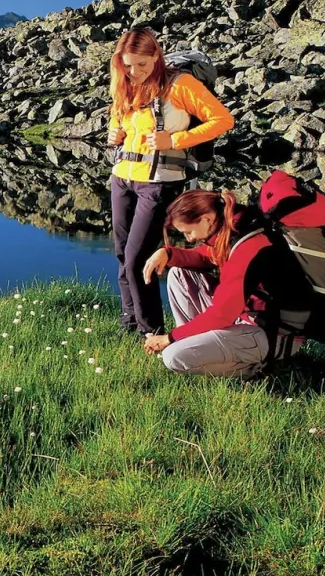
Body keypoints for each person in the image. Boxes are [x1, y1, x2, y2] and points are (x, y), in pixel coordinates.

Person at [107, 28, 233, 336]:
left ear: (155, 57)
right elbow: (117, 117)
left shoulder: (180, 84)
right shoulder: (124, 85)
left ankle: (151, 331)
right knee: (123, 253)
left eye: (141, 65)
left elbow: (223, 120)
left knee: (139, 257)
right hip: (122, 177)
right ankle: (130, 321)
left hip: (160, 181)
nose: (134, 72)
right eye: (127, 65)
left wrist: (176, 139)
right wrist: (114, 134)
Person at [140, 188, 310, 377]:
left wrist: (169, 338)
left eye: (188, 232)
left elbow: (221, 315)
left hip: (274, 334)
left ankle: (262, 368)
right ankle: (195, 344)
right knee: (179, 274)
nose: (189, 239)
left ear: (206, 219)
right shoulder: (235, 229)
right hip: (248, 320)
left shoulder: (248, 246)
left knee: (173, 357)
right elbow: (206, 256)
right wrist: (168, 253)